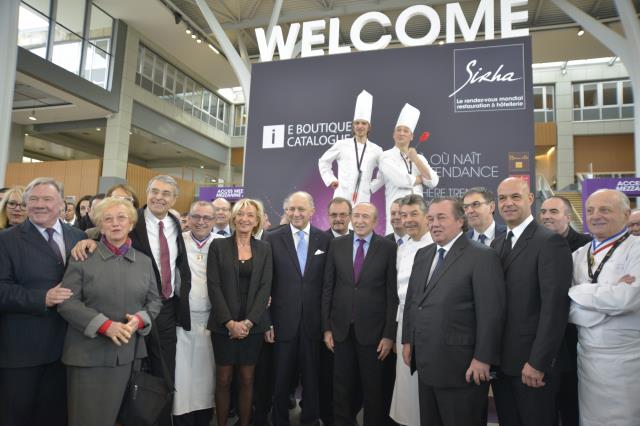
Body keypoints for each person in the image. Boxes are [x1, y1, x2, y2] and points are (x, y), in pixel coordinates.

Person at [71, 175, 192, 426]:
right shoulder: (126, 217)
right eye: (155, 191)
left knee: (159, 375)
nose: (160, 197)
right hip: (111, 324)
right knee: (114, 389)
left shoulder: (174, 223)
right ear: (146, 193)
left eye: (166, 193)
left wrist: (144, 317)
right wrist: (85, 240)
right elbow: (104, 227)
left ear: (175, 199)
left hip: (160, 308)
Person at [57, 197, 162, 426]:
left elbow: (154, 301)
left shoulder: (144, 262)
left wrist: (139, 320)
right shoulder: (83, 257)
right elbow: (67, 302)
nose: (115, 223)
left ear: (131, 224)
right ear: (100, 226)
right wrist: (105, 325)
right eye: (108, 219)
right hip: (88, 357)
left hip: (130, 358)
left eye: (121, 218)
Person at [401, 197, 505, 426]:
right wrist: (408, 340)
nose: (434, 224)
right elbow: (413, 301)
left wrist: (483, 358)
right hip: (427, 363)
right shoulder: (424, 254)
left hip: (462, 368)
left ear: (460, 221)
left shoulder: (481, 256)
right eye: (430, 218)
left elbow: (491, 313)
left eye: (441, 217)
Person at [0, 177, 86, 426]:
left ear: (61, 203)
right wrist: (42, 297)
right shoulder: (6, 240)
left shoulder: (78, 236)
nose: (39, 205)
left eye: (47, 199)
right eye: (33, 199)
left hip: (67, 349)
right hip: (21, 351)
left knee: (56, 416)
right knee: (16, 416)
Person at [491, 177, 573, 426]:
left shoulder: (549, 242)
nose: (508, 203)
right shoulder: (497, 243)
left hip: (533, 367)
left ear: (529, 199)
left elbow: (555, 309)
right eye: (503, 198)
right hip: (502, 365)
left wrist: (538, 362)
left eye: (515, 197)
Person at [322, 202, 398, 426]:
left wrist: (388, 335)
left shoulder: (387, 247)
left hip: (374, 334)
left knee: (373, 389)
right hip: (340, 330)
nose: (360, 220)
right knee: (341, 387)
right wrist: (326, 328)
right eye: (356, 216)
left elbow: (392, 294)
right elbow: (328, 287)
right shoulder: (337, 245)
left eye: (365, 216)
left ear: (375, 221)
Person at [569, 189, 640, 426]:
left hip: (628, 359)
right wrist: (608, 295)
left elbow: (627, 299)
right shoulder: (578, 255)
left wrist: (577, 292)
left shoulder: (636, 249)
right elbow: (565, 307)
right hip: (587, 358)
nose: (595, 215)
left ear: (626, 213)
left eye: (605, 209)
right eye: (590, 210)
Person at [263, 191, 331, 426]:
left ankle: (310, 419)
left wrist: (327, 325)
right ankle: (279, 420)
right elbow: (265, 285)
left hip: (314, 324)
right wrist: (267, 321)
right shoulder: (271, 238)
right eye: (291, 209)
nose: (296, 213)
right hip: (282, 323)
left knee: (313, 379)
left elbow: (327, 285)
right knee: (280, 379)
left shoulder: (325, 240)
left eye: (301, 209)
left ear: (312, 211)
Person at [208, 198, 273, 426]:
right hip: (222, 324)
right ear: (233, 218)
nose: (245, 219)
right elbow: (213, 286)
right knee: (223, 380)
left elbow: (266, 287)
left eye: (251, 215)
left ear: (257, 221)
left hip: (252, 325)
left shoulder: (265, 248)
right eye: (241, 214)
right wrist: (229, 323)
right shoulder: (218, 246)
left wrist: (247, 323)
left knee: (247, 379)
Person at [538, 195, 592, 426]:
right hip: (544, 335)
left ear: (568, 217)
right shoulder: (536, 244)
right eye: (543, 212)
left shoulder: (586, 245)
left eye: (553, 212)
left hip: (576, 337)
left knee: (572, 402)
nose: (547, 216)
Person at [173, 201, 220, 426]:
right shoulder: (176, 242)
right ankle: (182, 418)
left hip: (212, 321)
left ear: (214, 220)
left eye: (207, 218)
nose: (201, 222)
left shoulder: (222, 244)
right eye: (196, 216)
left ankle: (203, 418)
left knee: (207, 377)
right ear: (188, 218)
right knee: (182, 376)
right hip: (182, 321)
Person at [389, 194, 432, 426]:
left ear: (426, 215)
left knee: (420, 384)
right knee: (405, 382)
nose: (408, 220)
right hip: (403, 321)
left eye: (414, 214)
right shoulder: (403, 245)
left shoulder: (435, 244)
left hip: (426, 324)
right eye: (403, 215)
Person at [378, 104, 439, 234]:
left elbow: (433, 182)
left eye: (405, 131)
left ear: (411, 136)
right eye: (398, 130)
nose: (401, 133)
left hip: (419, 213)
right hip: (398, 213)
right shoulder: (385, 156)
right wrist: (421, 178)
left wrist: (416, 160)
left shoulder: (419, 158)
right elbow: (402, 181)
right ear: (393, 135)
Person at [318, 90, 383, 205]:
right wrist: (330, 179)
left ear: (369, 127)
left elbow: (384, 172)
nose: (360, 126)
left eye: (363, 123)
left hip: (363, 199)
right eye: (357, 123)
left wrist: (372, 187)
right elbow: (323, 161)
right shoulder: (341, 145)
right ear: (353, 126)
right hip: (341, 198)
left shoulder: (377, 150)